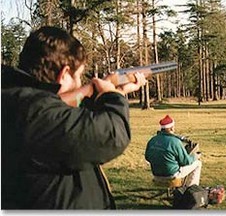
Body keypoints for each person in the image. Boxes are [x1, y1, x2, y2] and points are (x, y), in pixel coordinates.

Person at [1, 26, 147, 209]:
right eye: (77, 76)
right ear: (64, 74)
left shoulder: (15, 101)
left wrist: (118, 90)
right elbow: (113, 134)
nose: (80, 83)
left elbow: (68, 119)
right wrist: (112, 96)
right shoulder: (34, 113)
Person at [145, 115, 202, 187]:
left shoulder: (152, 140)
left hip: (156, 174)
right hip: (172, 175)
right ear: (171, 128)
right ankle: (191, 189)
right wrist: (195, 156)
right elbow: (186, 161)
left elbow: (147, 157)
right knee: (198, 163)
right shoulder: (175, 142)